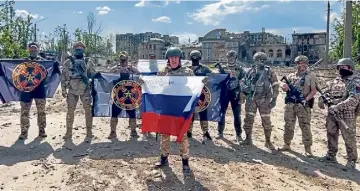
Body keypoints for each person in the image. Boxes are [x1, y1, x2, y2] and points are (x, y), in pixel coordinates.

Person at [154, 47, 206, 172]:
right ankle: (164, 157)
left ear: (180, 59)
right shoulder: (162, 72)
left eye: (176, 57)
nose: (173, 60)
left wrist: (202, 82)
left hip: (181, 108)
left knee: (182, 134)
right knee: (165, 133)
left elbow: (195, 87)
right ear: (168, 59)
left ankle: (185, 161)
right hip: (167, 107)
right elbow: (155, 86)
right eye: (171, 58)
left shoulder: (187, 72)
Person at [319, 58, 360, 170]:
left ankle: (351, 160)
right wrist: (321, 100)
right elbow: (326, 92)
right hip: (332, 113)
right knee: (331, 133)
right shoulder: (335, 81)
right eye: (339, 67)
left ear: (350, 68)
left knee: (349, 137)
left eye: (344, 67)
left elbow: (354, 99)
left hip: (347, 114)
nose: (341, 69)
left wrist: (338, 106)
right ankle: (331, 155)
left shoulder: (355, 81)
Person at [278, 55, 317, 157]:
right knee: (288, 125)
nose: (302, 65)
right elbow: (282, 84)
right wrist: (283, 86)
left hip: (303, 104)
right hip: (291, 104)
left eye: (304, 63)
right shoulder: (291, 76)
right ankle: (287, 144)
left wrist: (305, 100)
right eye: (300, 63)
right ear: (297, 64)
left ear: (307, 64)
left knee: (305, 126)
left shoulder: (311, 76)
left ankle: (307, 148)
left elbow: (313, 91)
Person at [241, 52, 279, 150]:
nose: (260, 62)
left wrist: (274, 99)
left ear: (265, 61)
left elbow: (275, 85)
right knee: (248, 120)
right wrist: (245, 91)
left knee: (266, 121)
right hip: (251, 99)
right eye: (257, 60)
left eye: (262, 60)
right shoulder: (250, 71)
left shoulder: (270, 72)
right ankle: (248, 139)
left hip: (264, 100)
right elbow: (243, 83)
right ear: (254, 60)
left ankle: (268, 141)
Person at [61, 41, 96, 141]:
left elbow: (93, 75)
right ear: (74, 49)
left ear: (84, 49)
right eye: (77, 47)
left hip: (85, 89)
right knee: (70, 111)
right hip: (72, 88)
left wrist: (91, 84)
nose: (79, 48)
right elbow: (63, 76)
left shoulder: (88, 61)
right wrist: (63, 89)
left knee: (88, 111)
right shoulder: (68, 62)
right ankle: (68, 132)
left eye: (81, 47)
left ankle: (89, 132)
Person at [108, 51, 141, 139]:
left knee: (132, 113)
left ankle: (133, 130)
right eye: (121, 59)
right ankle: (113, 131)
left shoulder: (132, 69)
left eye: (124, 59)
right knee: (114, 113)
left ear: (127, 59)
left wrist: (133, 74)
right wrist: (116, 73)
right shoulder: (115, 69)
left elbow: (139, 76)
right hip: (118, 95)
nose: (123, 61)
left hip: (130, 95)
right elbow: (108, 77)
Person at [18, 42, 47, 140]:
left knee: (41, 111)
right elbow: (17, 74)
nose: (33, 49)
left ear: (38, 49)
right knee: (24, 112)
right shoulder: (23, 62)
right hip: (26, 90)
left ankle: (42, 130)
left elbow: (48, 74)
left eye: (35, 48)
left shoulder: (44, 62)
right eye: (31, 48)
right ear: (29, 49)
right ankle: (24, 132)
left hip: (39, 90)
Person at [217, 50, 246, 142]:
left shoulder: (240, 68)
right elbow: (218, 80)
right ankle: (220, 132)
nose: (231, 59)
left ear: (236, 58)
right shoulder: (223, 68)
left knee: (237, 115)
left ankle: (238, 134)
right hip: (224, 94)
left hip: (236, 94)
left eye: (233, 57)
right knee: (221, 113)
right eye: (229, 57)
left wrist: (242, 93)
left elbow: (243, 81)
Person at [186, 50, 212, 143]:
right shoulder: (186, 69)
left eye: (197, 57)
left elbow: (213, 78)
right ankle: (188, 131)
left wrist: (207, 80)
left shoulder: (205, 69)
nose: (195, 59)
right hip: (190, 95)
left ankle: (205, 132)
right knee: (190, 113)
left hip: (202, 95)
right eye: (193, 57)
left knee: (203, 113)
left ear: (200, 58)